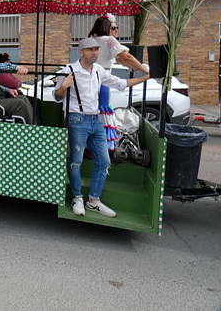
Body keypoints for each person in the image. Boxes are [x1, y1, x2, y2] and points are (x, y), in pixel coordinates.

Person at [54, 37, 150, 218]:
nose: (95, 53)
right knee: (76, 161)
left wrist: (145, 76)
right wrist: (63, 87)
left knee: (104, 161)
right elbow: (57, 96)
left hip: (96, 121)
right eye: (90, 50)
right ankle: (77, 197)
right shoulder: (69, 70)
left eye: (97, 49)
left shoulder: (99, 70)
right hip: (77, 119)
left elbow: (121, 84)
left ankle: (94, 201)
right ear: (81, 52)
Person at [89, 14, 149, 150]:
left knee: (91, 113)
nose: (117, 31)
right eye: (114, 27)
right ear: (107, 28)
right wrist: (145, 70)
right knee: (103, 113)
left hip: (88, 81)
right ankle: (100, 147)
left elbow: (121, 59)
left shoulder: (91, 39)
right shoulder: (109, 40)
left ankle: (89, 147)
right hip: (103, 82)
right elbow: (125, 57)